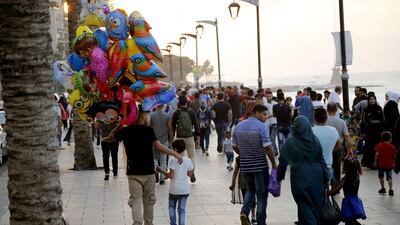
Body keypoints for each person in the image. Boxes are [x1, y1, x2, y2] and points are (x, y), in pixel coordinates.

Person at [114, 105, 183, 225]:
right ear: (140, 115)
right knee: (149, 201)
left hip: (133, 172)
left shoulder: (125, 130)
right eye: (147, 113)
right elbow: (159, 147)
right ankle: (148, 223)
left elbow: (109, 139)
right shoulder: (148, 130)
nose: (148, 116)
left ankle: (137, 223)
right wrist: (175, 154)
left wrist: (120, 125)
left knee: (135, 200)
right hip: (148, 172)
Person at [277, 116, 328, 225]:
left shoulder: (290, 142)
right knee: (315, 202)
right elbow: (321, 160)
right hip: (316, 175)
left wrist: (279, 177)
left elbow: (282, 161)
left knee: (303, 202)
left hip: (300, 175)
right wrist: (328, 176)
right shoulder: (314, 140)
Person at [232, 104, 277, 225]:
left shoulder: (238, 126)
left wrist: (244, 154)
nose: (265, 117)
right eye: (264, 114)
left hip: (245, 166)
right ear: (256, 113)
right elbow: (267, 148)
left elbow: (234, 146)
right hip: (260, 166)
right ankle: (261, 222)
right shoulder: (261, 126)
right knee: (262, 195)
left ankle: (244, 212)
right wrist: (274, 163)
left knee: (250, 190)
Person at [157, 139, 194, 225]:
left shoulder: (173, 160)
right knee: (182, 209)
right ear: (184, 149)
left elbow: (171, 176)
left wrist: (161, 171)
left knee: (171, 207)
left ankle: (173, 223)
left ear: (175, 150)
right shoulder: (188, 161)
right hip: (184, 190)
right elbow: (190, 175)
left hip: (174, 190)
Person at [329, 158, 366, 225]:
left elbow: (337, 189)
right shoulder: (357, 177)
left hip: (348, 202)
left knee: (349, 221)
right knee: (352, 220)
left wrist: (329, 193)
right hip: (355, 200)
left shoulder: (345, 179)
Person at [172, 95, 200, 183]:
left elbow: (172, 125)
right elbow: (196, 125)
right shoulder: (191, 112)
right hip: (189, 137)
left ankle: (180, 173)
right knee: (192, 156)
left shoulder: (176, 113)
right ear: (187, 102)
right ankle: (192, 172)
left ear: (179, 102)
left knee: (179, 156)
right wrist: (197, 136)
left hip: (179, 137)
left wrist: (172, 137)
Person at [312, 108, 341, 183]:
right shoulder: (333, 130)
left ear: (314, 118)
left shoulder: (310, 131)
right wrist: (329, 150)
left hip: (313, 166)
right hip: (327, 164)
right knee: (326, 188)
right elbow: (338, 147)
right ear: (326, 117)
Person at [326, 102, 352, 183]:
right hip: (339, 147)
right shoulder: (341, 122)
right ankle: (336, 185)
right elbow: (347, 136)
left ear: (327, 110)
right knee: (337, 167)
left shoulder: (324, 121)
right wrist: (350, 148)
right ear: (336, 110)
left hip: (327, 147)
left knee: (328, 166)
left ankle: (328, 183)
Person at [150, 104, 174, 185]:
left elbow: (149, 128)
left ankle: (155, 171)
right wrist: (171, 140)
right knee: (163, 160)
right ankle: (162, 179)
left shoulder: (151, 115)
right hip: (164, 140)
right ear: (163, 106)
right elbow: (170, 129)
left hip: (154, 140)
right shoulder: (167, 116)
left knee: (154, 158)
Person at [229, 156, 257, 224]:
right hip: (252, 180)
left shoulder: (239, 158)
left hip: (242, 181)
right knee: (252, 199)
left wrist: (232, 184)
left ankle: (246, 217)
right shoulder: (252, 156)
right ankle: (253, 217)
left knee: (246, 199)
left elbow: (235, 172)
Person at [360, 95, 384, 169]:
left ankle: (379, 163)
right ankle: (370, 163)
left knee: (378, 147)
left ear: (375, 100)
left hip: (378, 131)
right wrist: (363, 132)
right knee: (370, 147)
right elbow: (363, 122)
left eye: (373, 99)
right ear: (368, 100)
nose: (372, 100)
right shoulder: (366, 109)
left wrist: (383, 131)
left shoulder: (379, 108)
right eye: (370, 99)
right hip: (369, 131)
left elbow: (383, 120)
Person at [97, 109, 120, 180]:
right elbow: (97, 126)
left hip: (112, 141)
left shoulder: (116, 121)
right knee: (107, 157)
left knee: (111, 156)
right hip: (106, 141)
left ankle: (114, 172)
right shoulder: (103, 120)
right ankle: (108, 172)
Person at [374, 132, 397, 196]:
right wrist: (394, 162)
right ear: (390, 139)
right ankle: (390, 190)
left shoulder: (379, 145)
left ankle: (383, 188)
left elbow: (377, 154)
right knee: (389, 177)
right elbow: (395, 156)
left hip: (381, 164)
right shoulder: (392, 146)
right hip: (390, 165)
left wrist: (375, 162)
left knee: (381, 176)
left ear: (382, 139)